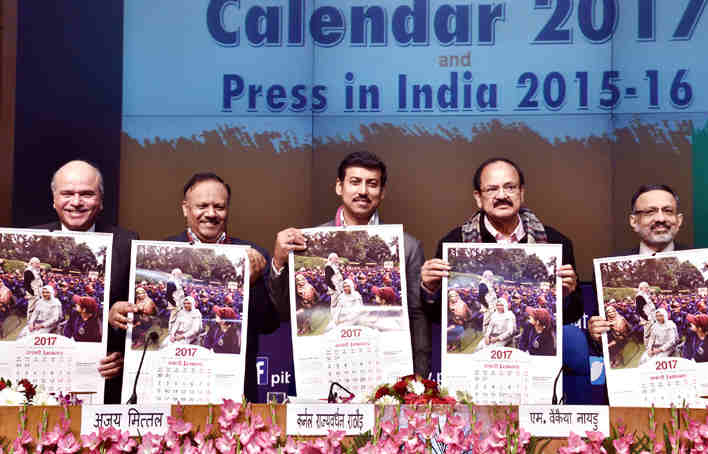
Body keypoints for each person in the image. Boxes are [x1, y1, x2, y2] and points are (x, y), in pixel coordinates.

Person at [0, 160, 136, 403]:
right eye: (67, 193)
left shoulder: (126, 242)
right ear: (54, 199)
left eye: (87, 194)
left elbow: (136, 319)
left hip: (99, 382)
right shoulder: (33, 238)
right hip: (34, 379)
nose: (77, 202)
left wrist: (122, 356)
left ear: (100, 200)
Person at [108, 172, 279, 402]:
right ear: (185, 208)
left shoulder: (253, 255)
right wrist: (117, 313)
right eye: (202, 206)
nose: (211, 214)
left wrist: (254, 281)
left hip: (230, 388)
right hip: (169, 380)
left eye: (219, 207)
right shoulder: (160, 251)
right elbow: (140, 317)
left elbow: (268, 324)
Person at [269, 151, 431, 377]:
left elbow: (416, 316)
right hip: (327, 368)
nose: (363, 191)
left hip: (384, 370)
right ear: (339, 186)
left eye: (372, 184)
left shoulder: (408, 246)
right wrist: (278, 262)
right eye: (355, 182)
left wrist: (418, 378)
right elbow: (284, 312)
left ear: (382, 192)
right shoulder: (308, 242)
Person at [420, 158, 583, 327]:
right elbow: (437, 316)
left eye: (510, 187)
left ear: (521, 192)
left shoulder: (557, 243)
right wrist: (429, 289)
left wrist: (565, 296)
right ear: (478, 197)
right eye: (492, 189)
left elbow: (573, 315)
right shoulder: (453, 241)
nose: (502, 195)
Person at [588, 184, 708, 349]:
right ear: (634, 221)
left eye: (667, 211)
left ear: (679, 220)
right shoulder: (605, 269)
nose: (660, 218)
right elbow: (596, 348)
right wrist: (595, 333)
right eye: (650, 212)